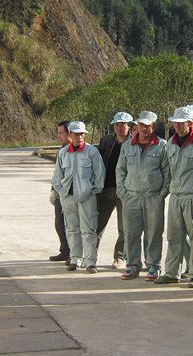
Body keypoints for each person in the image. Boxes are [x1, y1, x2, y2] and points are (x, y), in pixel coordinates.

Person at [156, 107, 193, 286]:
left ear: (190, 123)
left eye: (181, 123)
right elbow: (168, 170)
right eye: (175, 123)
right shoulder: (170, 142)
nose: (177, 126)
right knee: (174, 236)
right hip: (176, 195)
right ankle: (172, 273)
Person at [116, 111, 170, 280]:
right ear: (136, 126)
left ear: (154, 127)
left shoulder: (162, 146)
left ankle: (153, 266)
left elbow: (167, 173)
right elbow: (120, 170)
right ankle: (132, 266)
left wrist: (161, 194)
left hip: (153, 197)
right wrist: (123, 193)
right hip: (131, 197)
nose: (144, 128)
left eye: (148, 125)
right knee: (131, 233)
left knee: (153, 233)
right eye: (141, 125)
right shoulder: (127, 146)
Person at [52, 121, 106, 273]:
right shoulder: (63, 153)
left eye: (82, 133)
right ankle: (75, 259)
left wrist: (93, 192)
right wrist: (62, 192)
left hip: (87, 198)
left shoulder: (91, 152)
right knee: (72, 229)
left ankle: (90, 262)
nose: (79, 136)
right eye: (76, 133)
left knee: (88, 230)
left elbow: (99, 175)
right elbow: (57, 177)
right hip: (68, 198)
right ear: (70, 135)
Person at [96, 112, 132, 270]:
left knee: (123, 227)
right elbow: (97, 163)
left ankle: (119, 257)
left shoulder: (133, 142)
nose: (119, 127)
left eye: (123, 125)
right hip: (106, 189)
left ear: (128, 126)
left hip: (124, 191)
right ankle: (91, 255)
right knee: (97, 225)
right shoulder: (106, 140)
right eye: (117, 124)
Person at [48, 121, 71, 262]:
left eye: (62, 133)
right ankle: (65, 250)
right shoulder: (61, 151)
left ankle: (75, 254)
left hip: (74, 194)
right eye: (58, 133)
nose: (59, 136)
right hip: (60, 193)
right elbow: (57, 173)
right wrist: (53, 190)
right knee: (60, 223)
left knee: (73, 226)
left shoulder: (82, 150)